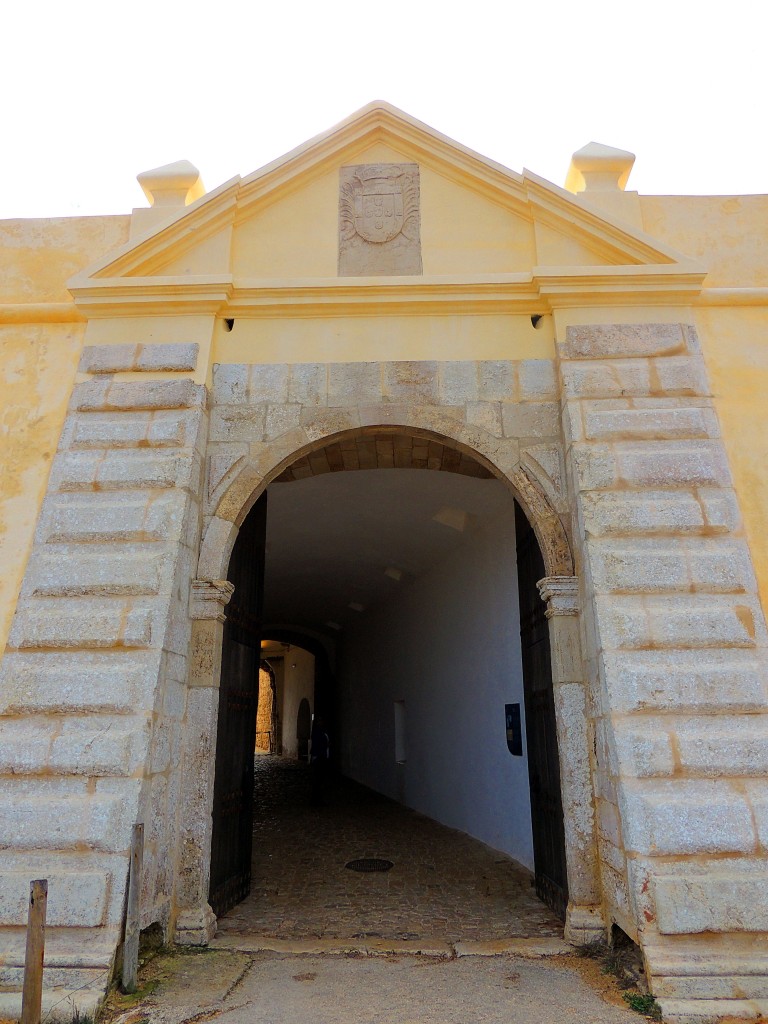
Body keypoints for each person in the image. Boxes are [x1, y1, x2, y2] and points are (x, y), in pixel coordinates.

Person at [309, 714, 330, 806]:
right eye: (319, 721)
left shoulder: (323, 732)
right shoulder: (318, 732)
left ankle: (318, 798)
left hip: (322, 757)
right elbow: (316, 745)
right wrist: (315, 756)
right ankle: (316, 799)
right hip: (319, 758)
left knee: (320, 779)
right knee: (318, 779)